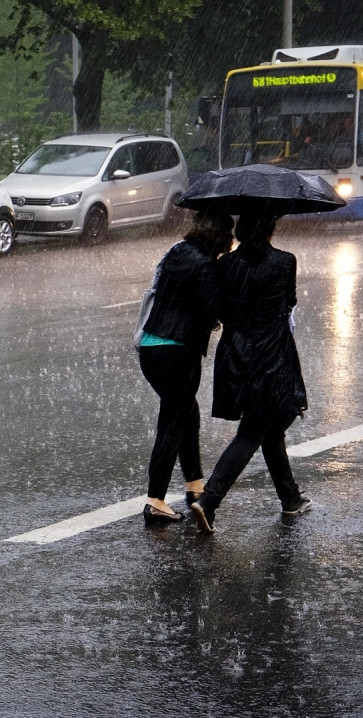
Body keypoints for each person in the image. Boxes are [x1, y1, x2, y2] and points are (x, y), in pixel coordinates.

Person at [190, 211, 311, 534]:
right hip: (271, 357)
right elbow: (289, 303)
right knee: (253, 430)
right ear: (271, 228)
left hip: (236, 356)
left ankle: (290, 497)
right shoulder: (286, 262)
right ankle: (209, 500)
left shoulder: (224, 266)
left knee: (268, 427)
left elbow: (217, 309)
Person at [137, 211, 234, 524]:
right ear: (217, 236)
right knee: (172, 423)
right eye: (228, 235)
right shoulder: (206, 265)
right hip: (178, 352)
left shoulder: (178, 251)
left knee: (185, 414)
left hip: (151, 349)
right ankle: (155, 500)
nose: (232, 241)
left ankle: (194, 485)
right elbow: (215, 308)